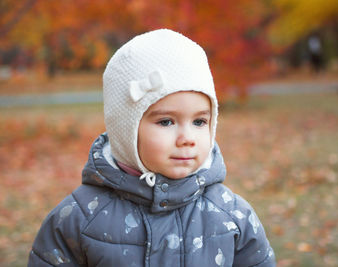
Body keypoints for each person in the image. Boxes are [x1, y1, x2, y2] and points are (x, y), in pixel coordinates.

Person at [28, 29, 276, 266]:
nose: (187, 138)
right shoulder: (79, 218)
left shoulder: (232, 215)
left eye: (199, 121)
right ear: (126, 129)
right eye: (166, 122)